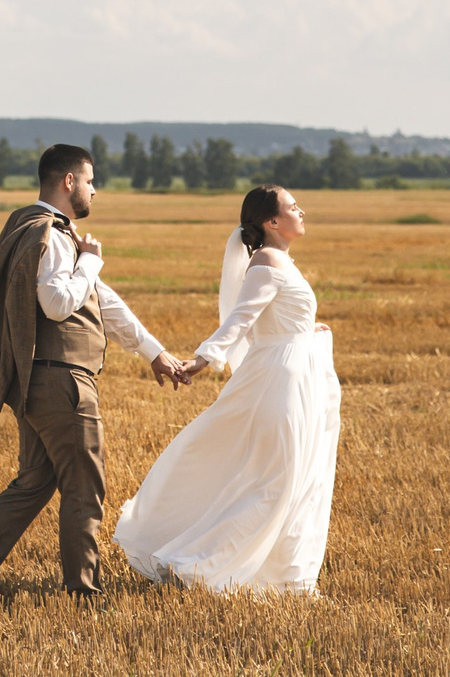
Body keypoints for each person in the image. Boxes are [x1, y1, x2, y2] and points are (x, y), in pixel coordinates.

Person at [0, 143, 190, 597]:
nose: (95, 190)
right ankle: (83, 592)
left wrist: (153, 351)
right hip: (64, 382)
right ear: (69, 182)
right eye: (90, 181)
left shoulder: (30, 227)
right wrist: (90, 260)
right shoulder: (51, 234)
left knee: (33, 484)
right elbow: (57, 304)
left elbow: (101, 300)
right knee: (85, 489)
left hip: (38, 383)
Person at [112, 183, 341, 594]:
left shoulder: (280, 259)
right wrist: (202, 360)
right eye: (293, 207)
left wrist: (308, 329)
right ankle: (199, 566)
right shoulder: (268, 260)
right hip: (281, 382)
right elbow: (241, 320)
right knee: (276, 482)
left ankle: (281, 578)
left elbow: (277, 317)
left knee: (291, 480)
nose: (301, 212)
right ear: (272, 222)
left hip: (294, 373)